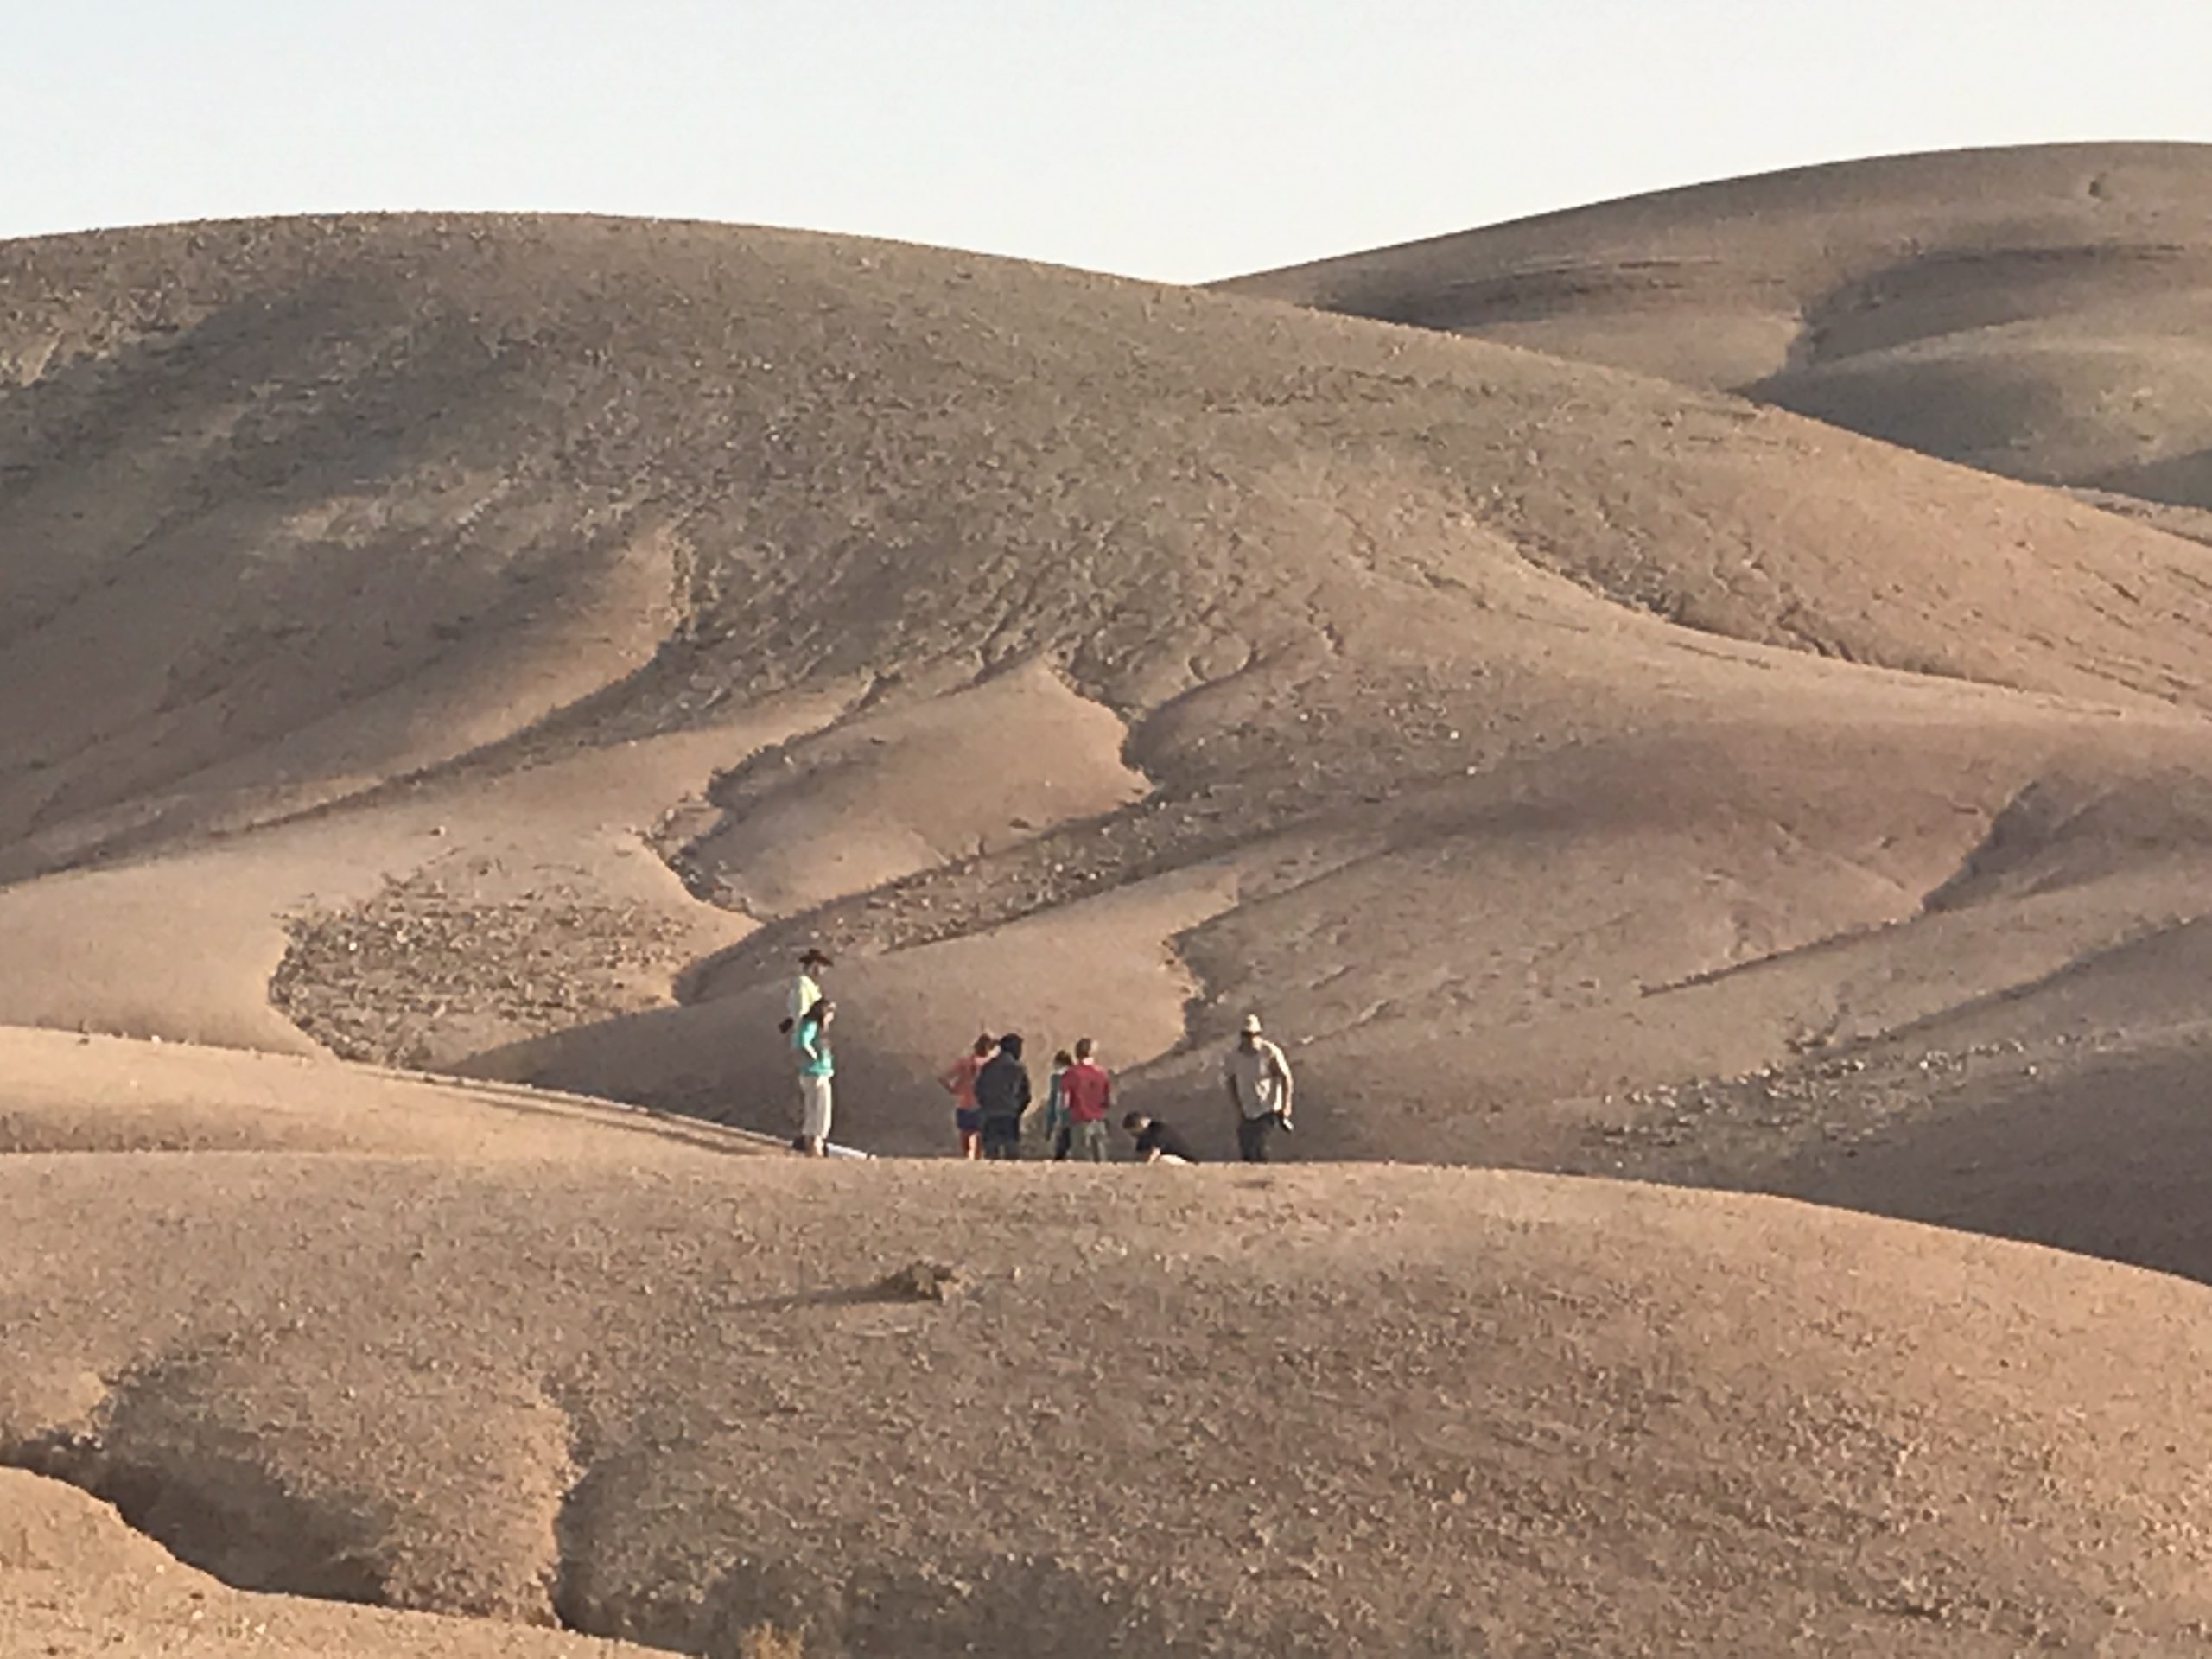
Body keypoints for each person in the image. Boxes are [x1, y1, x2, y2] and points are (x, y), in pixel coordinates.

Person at [1223, 1014, 1294, 1162]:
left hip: (1268, 1109)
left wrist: (1285, 1106)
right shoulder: (1234, 1057)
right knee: (1246, 1150)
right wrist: (1237, 1108)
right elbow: (1230, 1081)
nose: (1251, 1039)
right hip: (1247, 1111)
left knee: (1260, 1146)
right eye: (1247, 1035)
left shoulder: (1270, 1052)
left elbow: (1285, 1077)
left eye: (1255, 1035)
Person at [974, 1032, 1033, 1160]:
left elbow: (978, 1090)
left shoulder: (988, 1067)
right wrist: (1017, 1110)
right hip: (1010, 1115)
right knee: (1011, 1152)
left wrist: (986, 1106)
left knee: (991, 1153)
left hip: (990, 1114)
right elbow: (1026, 1095)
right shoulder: (1018, 1068)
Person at [791, 998, 836, 1156]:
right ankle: (816, 1145)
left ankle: (811, 1144)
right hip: (817, 1073)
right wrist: (814, 1056)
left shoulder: (809, 1024)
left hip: (812, 1073)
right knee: (821, 1110)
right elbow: (802, 1042)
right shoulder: (812, 1025)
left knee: (812, 1109)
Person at [939, 1033, 995, 1160]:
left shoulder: (964, 1062)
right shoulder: (991, 1064)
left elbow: (944, 1078)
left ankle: (966, 1157)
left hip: (964, 1103)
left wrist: (953, 1090)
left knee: (965, 1135)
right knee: (979, 1136)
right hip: (982, 1104)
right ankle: (977, 1158)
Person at [1059, 1037, 1113, 1162]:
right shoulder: (1102, 1074)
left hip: (1079, 1120)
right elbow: (1108, 1100)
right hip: (1099, 1120)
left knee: (1082, 1161)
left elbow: (1065, 1102)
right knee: (1102, 1160)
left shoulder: (1070, 1074)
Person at [778, 947, 832, 1034]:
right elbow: (801, 1007)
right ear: (815, 965)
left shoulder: (810, 984)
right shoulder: (803, 982)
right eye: (823, 965)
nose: (824, 970)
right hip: (806, 1026)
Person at [1122, 1110, 1198, 1164]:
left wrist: (1145, 1166)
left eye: (1133, 1132)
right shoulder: (1143, 1136)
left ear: (1142, 1124)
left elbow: (1155, 1153)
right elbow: (1138, 1155)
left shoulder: (1159, 1130)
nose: (1133, 1135)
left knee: (1162, 1160)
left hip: (1185, 1162)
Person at [1041, 1049, 1075, 1160]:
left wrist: (1049, 1127)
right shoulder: (1077, 1075)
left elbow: (1053, 1103)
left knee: (1061, 1153)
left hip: (1062, 1120)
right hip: (1078, 1119)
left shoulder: (1056, 1078)